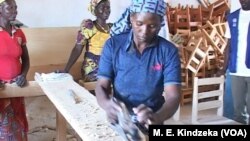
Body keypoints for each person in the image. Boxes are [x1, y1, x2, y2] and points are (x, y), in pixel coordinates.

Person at [95, 0, 181, 131]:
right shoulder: (113, 45)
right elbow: (101, 85)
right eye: (139, 24)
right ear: (131, 19)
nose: (144, 31)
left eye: (152, 26)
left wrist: (157, 117)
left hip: (153, 118)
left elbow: (173, 96)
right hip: (120, 118)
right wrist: (107, 105)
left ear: (160, 24)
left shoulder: (168, 51)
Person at [60, 0, 112, 82]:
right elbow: (77, 48)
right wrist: (66, 70)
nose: (106, 10)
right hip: (93, 68)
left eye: (108, 7)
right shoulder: (89, 27)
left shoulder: (112, 28)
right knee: (100, 86)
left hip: (108, 66)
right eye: (102, 7)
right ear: (95, 10)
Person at [0, 0, 30, 140]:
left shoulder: (18, 32)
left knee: (18, 121)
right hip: (1, 88)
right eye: (9, 8)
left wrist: (23, 75)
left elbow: (26, 59)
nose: (15, 11)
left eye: (15, 7)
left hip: (17, 86)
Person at [217, 0, 250, 124]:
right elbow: (228, 46)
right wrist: (224, 68)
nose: (243, 1)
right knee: (238, 111)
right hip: (236, 70)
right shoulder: (232, 17)